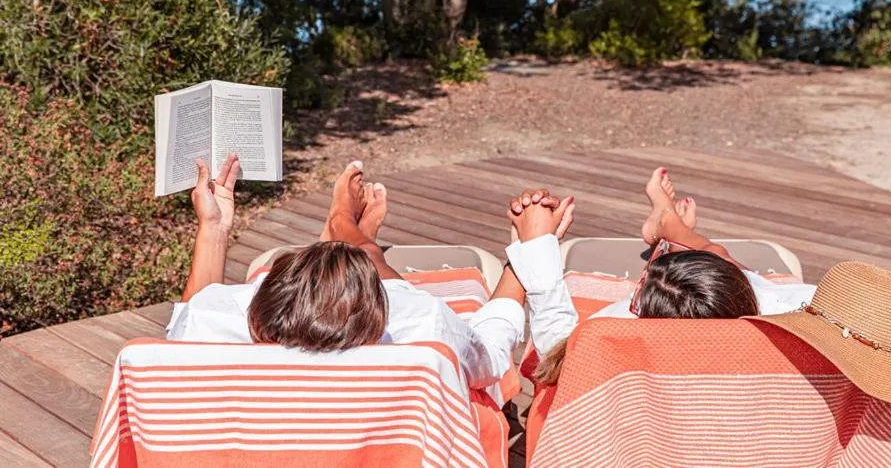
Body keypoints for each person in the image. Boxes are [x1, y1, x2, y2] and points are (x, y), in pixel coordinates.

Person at [168, 155, 566, 394]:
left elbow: (190, 320)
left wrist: (214, 227)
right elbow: (491, 356)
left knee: (347, 267)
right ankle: (350, 232)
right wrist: (527, 254)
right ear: (379, 311)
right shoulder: (420, 332)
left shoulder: (214, 327)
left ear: (260, 307)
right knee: (367, 262)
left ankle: (343, 229)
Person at [502, 167, 816, 386]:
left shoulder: (607, 348)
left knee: (716, 259)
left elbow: (556, 346)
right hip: (748, 315)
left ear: (639, 306)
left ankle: (670, 230)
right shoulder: (792, 340)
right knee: (719, 264)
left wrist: (536, 244)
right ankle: (672, 229)